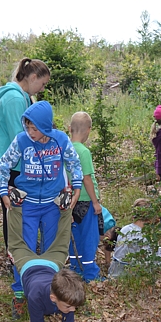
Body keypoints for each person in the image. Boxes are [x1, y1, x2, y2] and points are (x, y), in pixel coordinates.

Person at [0, 101, 83, 320]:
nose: (30, 132)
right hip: (27, 205)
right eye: (27, 127)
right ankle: (19, 292)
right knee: (20, 250)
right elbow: (4, 164)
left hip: (53, 204)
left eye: (34, 128)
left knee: (52, 250)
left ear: (45, 125)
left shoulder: (60, 140)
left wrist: (77, 186)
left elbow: (74, 163)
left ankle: (52, 291)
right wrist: (3, 191)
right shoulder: (22, 140)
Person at [0, 58, 50, 252]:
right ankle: (15, 253)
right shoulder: (14, 99)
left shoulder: (20, 96)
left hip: (13, 163)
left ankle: (21, 249)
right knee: (13, 210)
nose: (42, 89)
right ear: (33, 77)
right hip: (4, 164)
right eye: (43, 83)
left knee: (17, 208)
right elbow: (19, 137)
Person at [8, 202, 85, 322]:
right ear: (53, 298)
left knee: (62, 245)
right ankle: (15, 207)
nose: (72, 310)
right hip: (28, 265)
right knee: (16, 244)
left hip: (51, 264)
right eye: (70, 307)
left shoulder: (67, 298)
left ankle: (65, 209)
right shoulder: (35, 296)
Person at [68, 111, 104, 282]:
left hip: (69, 201)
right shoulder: (83, 152)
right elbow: (86, 178)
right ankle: (91, 273)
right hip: (85, 201)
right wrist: (96, 202)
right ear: (88, 130)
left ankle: (75, 269)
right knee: (89, 237)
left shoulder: (64, 149)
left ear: (70, 129)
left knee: (74, 236)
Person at [109, 199, 161, 278]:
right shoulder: (142, 237)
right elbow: (149, 261)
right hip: (128, 274)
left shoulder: (125, 229)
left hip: (114, 271)